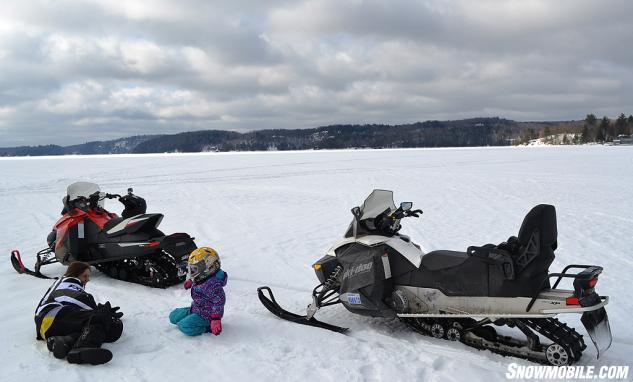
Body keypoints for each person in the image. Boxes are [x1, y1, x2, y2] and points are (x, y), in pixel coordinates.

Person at [34, 261, 123, 365]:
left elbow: (77, 305)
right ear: (74, 274)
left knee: (89, 325)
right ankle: (83, 347)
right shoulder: (69, 283)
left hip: (46, 325)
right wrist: (105, 313)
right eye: (85, 276)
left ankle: (65, 341)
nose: (87, 280)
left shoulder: (62, 284)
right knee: (108, 323)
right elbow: (87, 305)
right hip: (53, 315)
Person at [169, 247, 227, 336]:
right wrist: (192, 281)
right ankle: (191, 316)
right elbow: (199, 277)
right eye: (192, 269)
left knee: (184, 326)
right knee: (173, 316)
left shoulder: (214, 285)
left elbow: (219, 302)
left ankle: (207, 327)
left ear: (209, 267)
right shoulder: (203, 276)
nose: (192, 271)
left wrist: (215, 319)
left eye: (194, 269)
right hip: (196, 308)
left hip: (207, 315)